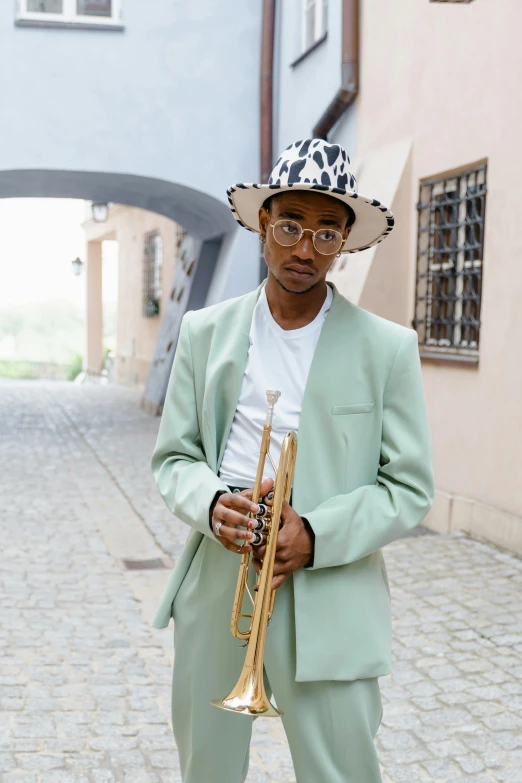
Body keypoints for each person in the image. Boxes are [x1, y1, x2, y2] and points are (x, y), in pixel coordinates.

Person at [151, 138, 435, 783]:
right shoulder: (204, 333)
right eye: (290, 225)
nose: (305, 248)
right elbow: (174, 458)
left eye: (326, 231)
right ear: (261, 227)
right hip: (220, 578)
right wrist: (214, 504)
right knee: (207, 768)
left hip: (331, 585)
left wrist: (316, 534)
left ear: (345, 243)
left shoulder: (387, 348)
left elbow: (409, 487)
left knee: (342, 771)